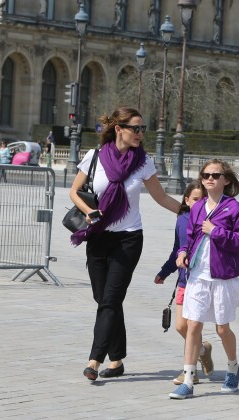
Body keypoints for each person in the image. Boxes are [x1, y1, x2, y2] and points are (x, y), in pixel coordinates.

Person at [69, 107, 180, 381]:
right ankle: (117, 360)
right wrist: (88, 211)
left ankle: (94, 359)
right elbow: (74, 191)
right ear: (119, 129)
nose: (141, 134)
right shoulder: (94, 156)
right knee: (104, 299)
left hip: (128, 239)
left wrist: (191, 211)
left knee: (110, 299)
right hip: (98, 236)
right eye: (136, 128)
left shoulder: (143, 162)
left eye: (143, 129)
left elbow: (161, 197)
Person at [168, 159, 239, 399]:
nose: (209, 179)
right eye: (206, 175)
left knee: (222, 328)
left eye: (215, 175)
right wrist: (182, 252)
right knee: (193, 325)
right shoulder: (197, 207)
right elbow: (188, 236)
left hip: (222, 276)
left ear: (226, 180)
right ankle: (187, 380)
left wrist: (216, 231)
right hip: (197, 275)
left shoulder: (236, 209)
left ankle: (233, 367)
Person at [154, 181, 214, 385]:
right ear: (187, 200)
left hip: (201, 280)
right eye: (195, 199)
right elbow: (177, 249)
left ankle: (191, 372)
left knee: (192, 327)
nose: (199, 203)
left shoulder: (210, 221)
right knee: (181, 326)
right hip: (183, 280)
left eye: (203, 199)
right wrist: (165, 271)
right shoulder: (182, 219)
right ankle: (204, 349)